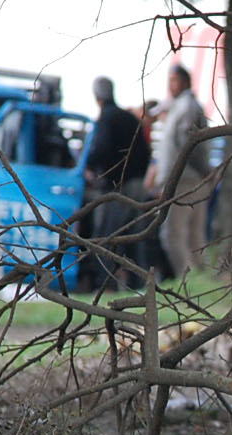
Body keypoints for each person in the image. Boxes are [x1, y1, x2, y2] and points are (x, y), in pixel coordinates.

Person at [144, 64, 214, 280]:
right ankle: (199, 280)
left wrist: (206, 171)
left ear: (184, 82)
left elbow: (189, 144)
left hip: (184, 180)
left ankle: (188, 280)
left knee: (173, 234)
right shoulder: (177, 106)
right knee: (192, 235)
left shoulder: (187, 108)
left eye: (174, 80)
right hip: (187, 178)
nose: (170, 86)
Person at [83, 76, 152, 290]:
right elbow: (146, 152)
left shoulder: (106, 119)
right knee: (136, 237)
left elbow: (100, 151)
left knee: (106, 237)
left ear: (96, 97)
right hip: (137, 185)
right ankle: (140, 283)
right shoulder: (130, 118)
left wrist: (94, 169)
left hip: (117, 188)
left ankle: (105, 284)